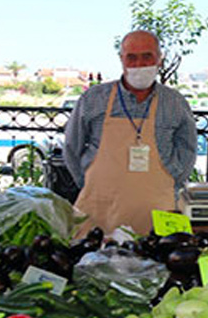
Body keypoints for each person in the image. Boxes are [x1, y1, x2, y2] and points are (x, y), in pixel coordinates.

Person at [64, 30, 197, 234]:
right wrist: (87, 183)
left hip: (159, 209)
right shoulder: (93, 99)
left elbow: (187, 148)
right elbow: (72, 148)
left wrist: (173, 179)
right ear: (121, 60)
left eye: (147, 56)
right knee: (89, 262)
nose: (139, 64)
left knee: (160, 262)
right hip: (99, 210)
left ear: (159, 59)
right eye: (131, 57)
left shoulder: (175, 102)